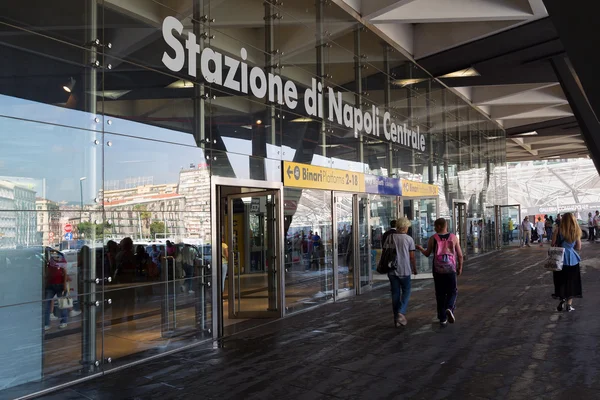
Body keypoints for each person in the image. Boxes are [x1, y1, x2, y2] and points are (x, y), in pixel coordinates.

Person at [416, 218, 464, 326]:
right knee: (453, 291)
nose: (434, 228)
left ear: (438, 226)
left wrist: (420, 248)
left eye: (434, 226)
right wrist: (460, 267)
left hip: (438, 270)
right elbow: (460, 255)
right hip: (450, 269)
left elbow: (427, 253)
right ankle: (450, 307)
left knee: (440, 294)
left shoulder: (433, 238)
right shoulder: (453, 238)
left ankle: (442, 318)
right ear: (446, 225)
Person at [386, 217, 417, 327]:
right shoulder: (409, 239)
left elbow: (386, 252)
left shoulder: (390, 237)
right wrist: (414, 268)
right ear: (405, 227)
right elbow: (412, 257)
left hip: (392, 270)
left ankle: (396, 319)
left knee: (395, 293)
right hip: (404, 269)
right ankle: (401, 312)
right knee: (406, 291)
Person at [551, 212, 582, 312]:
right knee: (572, 282)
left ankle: (562, 300)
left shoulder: (558, 230)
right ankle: (569, 305)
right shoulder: (576, 231)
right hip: (572, 260)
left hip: (559, 260)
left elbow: (553, 244)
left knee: (560, 281)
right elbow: (578, 247)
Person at [44, 249, 68, 330]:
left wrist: (64, 285)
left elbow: (65, 273)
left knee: (61, 304)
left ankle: (64, 321)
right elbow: (48, 273)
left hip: (59, 285)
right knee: (48, 303)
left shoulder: (61, 261)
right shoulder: (50, 262)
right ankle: (46, 323)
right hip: (51, 285)